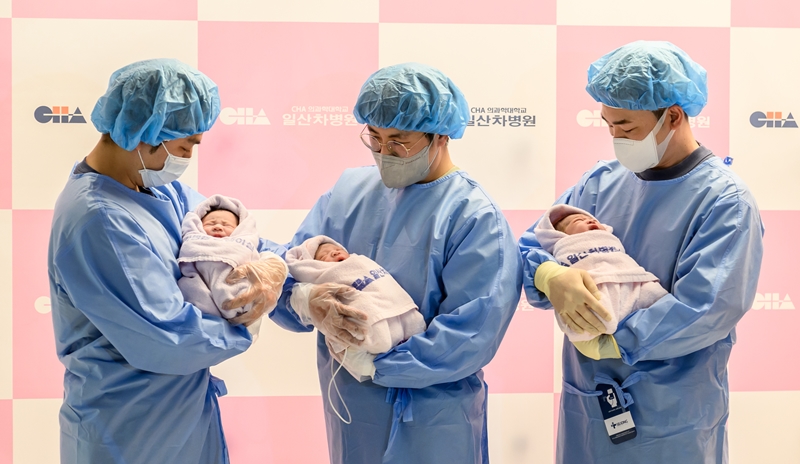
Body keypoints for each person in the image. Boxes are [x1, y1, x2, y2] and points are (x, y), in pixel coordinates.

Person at [518, 41, 764, 463]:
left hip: (671, 413)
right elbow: (535, 243)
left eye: (627, 128)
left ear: (672, 116)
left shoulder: (724, 202)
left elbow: (706, 308)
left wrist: (614, 343)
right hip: (592, 399)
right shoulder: (601, 182)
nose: (615, 137)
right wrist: (549, 277)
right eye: (608, 125)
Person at [269, 62, 523, 464]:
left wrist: (372, 364)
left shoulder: (474, 216)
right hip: (351, 412)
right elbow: (288, 271)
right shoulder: (348, 193)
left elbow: (470, 335)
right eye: (374, 137)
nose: (384, 152)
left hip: (432, 420)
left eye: (399, 141)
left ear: (439, 134)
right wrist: (304, 301)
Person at [48, 59, 289, 464]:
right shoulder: (98, 219)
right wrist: (247, 316)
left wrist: (291, 270)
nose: (190, 155)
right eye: (186, 145)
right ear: (146, 134)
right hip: (127, 429)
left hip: (178, 417)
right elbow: (169, 341)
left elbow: (223, 242)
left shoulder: (156, 191)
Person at [285, 235, 426, 382]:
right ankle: (372, 367)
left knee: (415, 327)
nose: (333, 253)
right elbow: (277, 279)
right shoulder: (324, 277)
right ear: (314, 268)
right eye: (323, 256)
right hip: (369, 326)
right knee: (352, 342)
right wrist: (303, 296)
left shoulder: (359, 261)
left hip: (402, 312)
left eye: (336, 249)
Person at [535, 204, 667, 343]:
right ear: (560, 235)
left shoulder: (609, 237)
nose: (590, 221)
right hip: (597, 284)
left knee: (660, 301)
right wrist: (546, 273)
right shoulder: (565, 245)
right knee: (592, 318)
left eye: (592, 219)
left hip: (633, 278)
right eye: (578, 221)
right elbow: (530, 253)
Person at [178, 194, 288, 334]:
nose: (218, 226)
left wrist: (276, 263)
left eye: (226, 225)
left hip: (234, 285)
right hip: (196, 293)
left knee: (245, 293)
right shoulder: (193, 236)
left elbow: (282, 255)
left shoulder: (243, 242)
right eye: (210, 223)